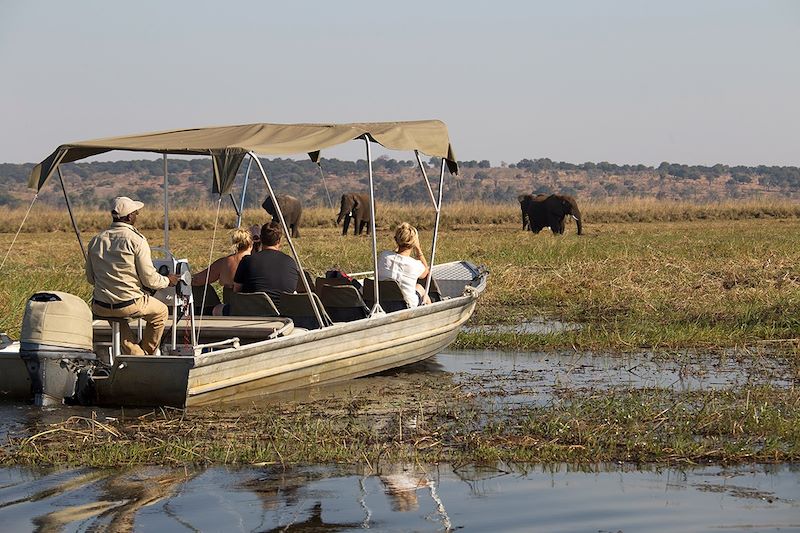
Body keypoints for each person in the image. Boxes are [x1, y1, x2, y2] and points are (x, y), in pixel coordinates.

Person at [85, 196, 178, 355]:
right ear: (129, 217)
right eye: (136, 213)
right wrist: (168, 280)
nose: (137, 216)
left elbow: (91, 278)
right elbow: (150, 279)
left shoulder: (96, 240)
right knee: (161, 312)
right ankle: (146, 353)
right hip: (129, 304)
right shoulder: (137, 240)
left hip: (101, 305)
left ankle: (135, 353)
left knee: (118, 320)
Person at [233, 222, 299, 309]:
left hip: (251, 312)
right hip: (283, 315)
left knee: (217, 309)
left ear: (260, 239)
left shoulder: (247, 260)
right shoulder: (291, 262)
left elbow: (237, 291)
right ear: (279, 241)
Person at [191, 227, 255, 311]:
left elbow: (198, 280)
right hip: (253, 307)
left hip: (230, 308)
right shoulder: (257, 263)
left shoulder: (224, 262)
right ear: (251, 244)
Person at [377, 222, 431, 307]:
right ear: (414, 242)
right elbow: (426, 273)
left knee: (417, 286)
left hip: (383, 302)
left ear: (396, 240)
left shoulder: (383, 255)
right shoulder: (415, 265)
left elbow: (395, 255)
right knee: (421, 288)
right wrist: (418, 249)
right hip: (406, 304)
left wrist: (399, 245)